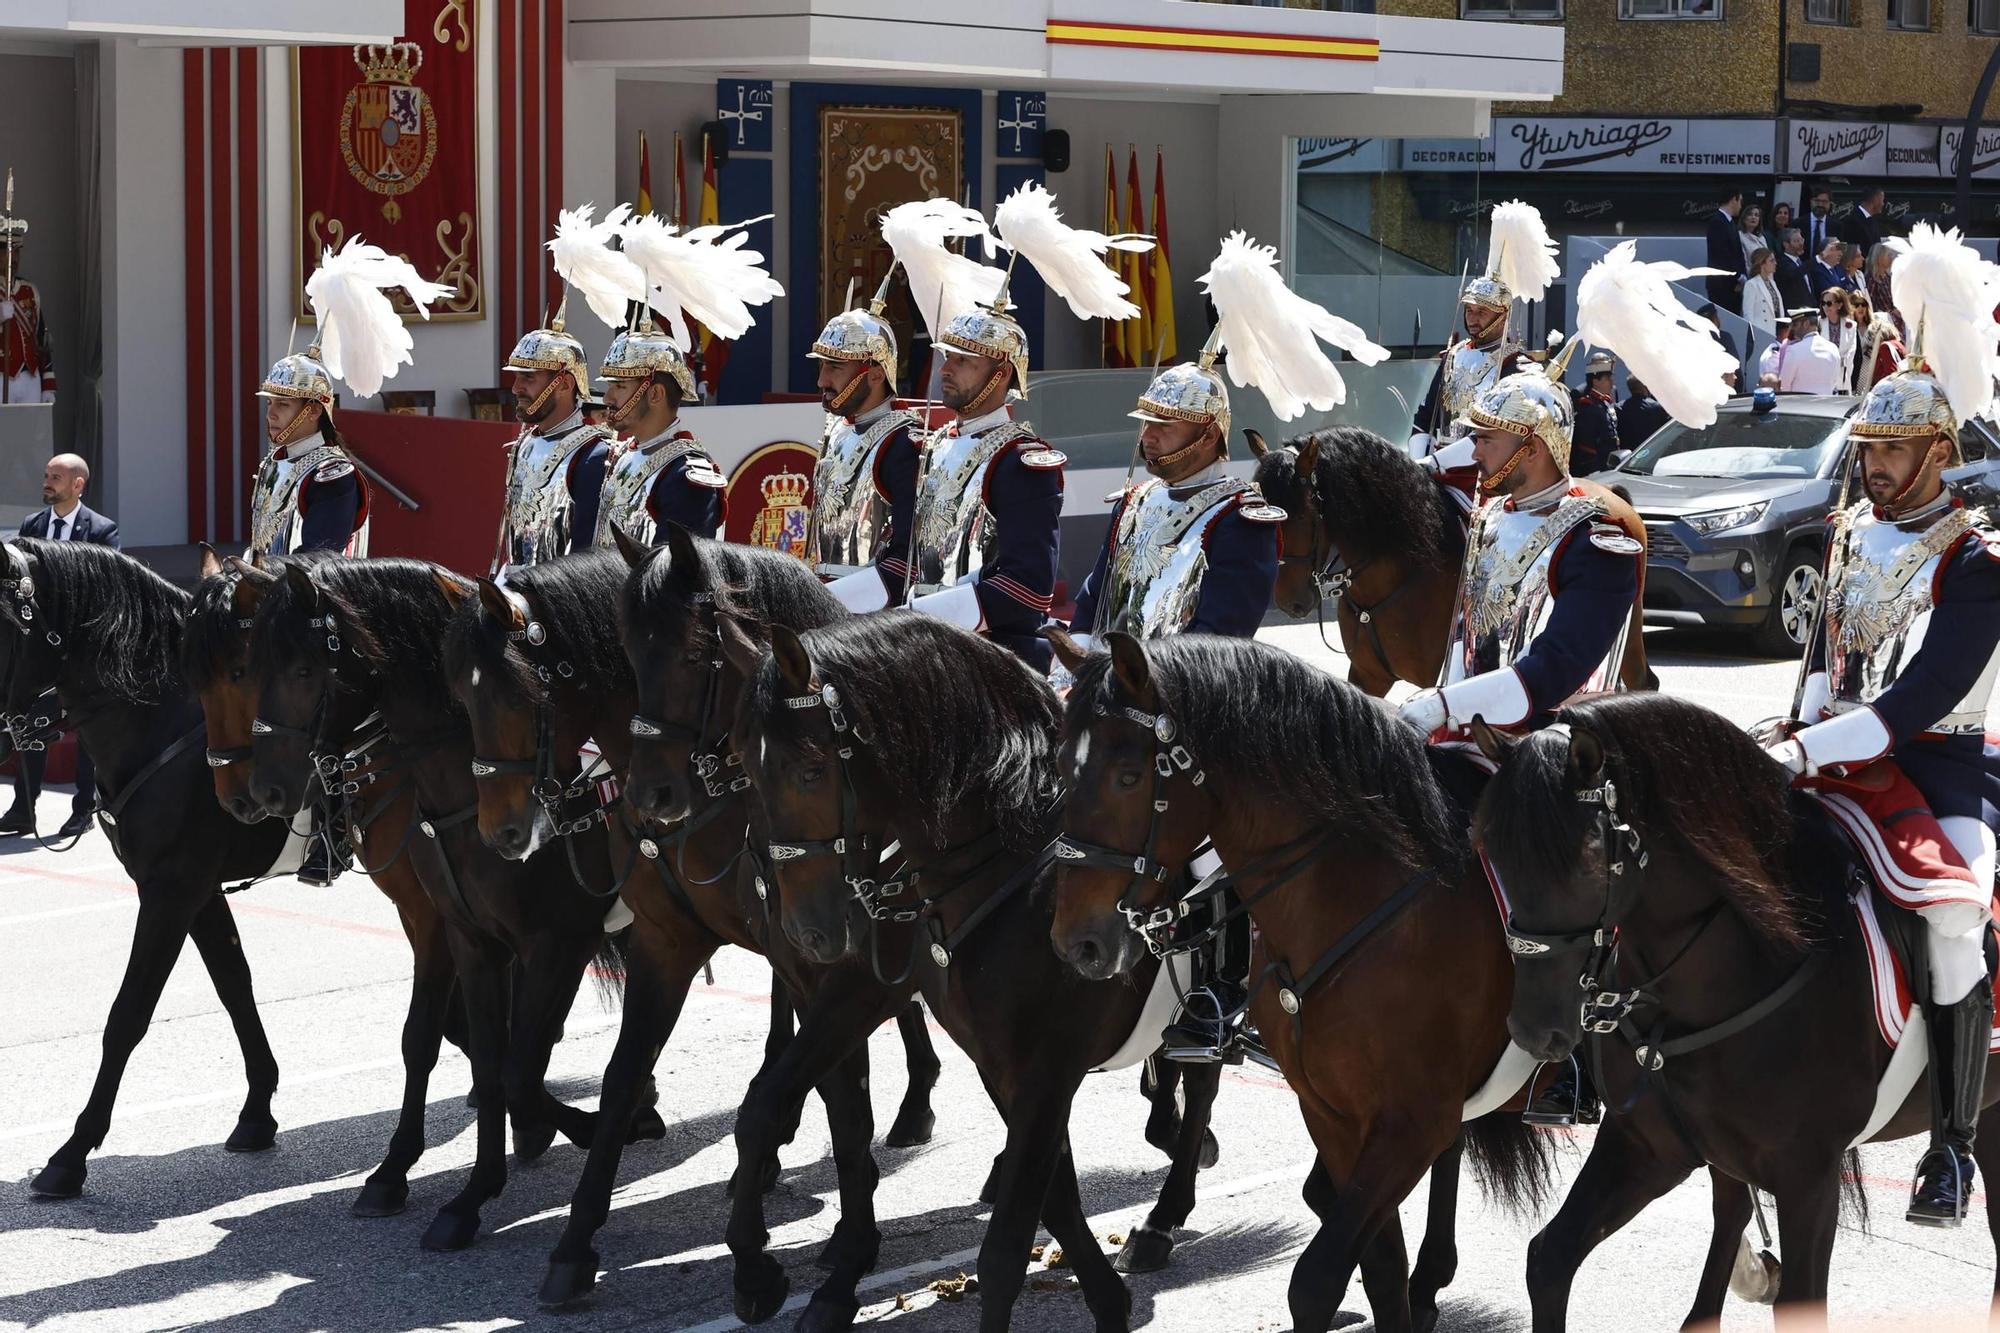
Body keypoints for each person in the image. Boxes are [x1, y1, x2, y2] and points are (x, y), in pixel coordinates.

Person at [1763, 224, 2000, 1226]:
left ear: (1938, 451)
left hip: (1942, 773)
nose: (1871, 466)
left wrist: (1812, 744)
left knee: (1950, 924)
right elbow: (1827, 658)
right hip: (1833, 761)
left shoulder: (1975, 560)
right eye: (1864, 448)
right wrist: (1798, 725)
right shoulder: (1850, 533)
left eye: (1890, 448)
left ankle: (1948, 1144)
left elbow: (1915, 699)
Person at [1397, 344, 1649, 1126]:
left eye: (1488, 439)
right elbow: (1467, 644)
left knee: (1552, 878)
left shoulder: (1598, 534)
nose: (1474, 450)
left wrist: (1439, 708)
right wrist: (1434, 710)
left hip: (1566, 744)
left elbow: (1551, 671)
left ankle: (1571, 1057)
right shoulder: (1491, 515)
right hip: (1477, 732)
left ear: (1532, 446)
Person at [1064, 327, 1285, 1062]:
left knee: (1218, 847)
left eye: (1164, 424)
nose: (1150, 437)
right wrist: (1075, 663)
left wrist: (1150, 693)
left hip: (1201, 710)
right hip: (1117, 702)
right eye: (1148, 424)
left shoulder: (1241, 517)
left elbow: (1224, 631)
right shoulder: (1135, 503)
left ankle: (1219, 993)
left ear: (1207, 432)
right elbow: (1097, 600)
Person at [908, 292, 1066, 673]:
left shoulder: (1021, 460)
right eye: (948, 357)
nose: (946, 369)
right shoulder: (935, 445)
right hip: (921, 644)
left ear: (1002, 373)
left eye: (964, 361)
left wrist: (916, 618)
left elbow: (1028, 586)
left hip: (992, 658)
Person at [0, 454, 115, 840]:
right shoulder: (33, 525)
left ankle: (84, 808)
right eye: (46, 474)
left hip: (81, 648)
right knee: (31, 724)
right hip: (38, 650)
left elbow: (103, 585)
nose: (47, 481)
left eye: (56, 477)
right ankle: (22, 809)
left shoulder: (101, 529)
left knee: (85, 732)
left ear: (78, 485)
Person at [808, 275, 925, 611]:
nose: (822, 380)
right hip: (823, 604)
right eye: (821, 366)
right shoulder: (836, 430)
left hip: (873, 617)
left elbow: (908, 561)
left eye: (835, 368)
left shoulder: (904, 445)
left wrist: (827, 602)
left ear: (875, 374)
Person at [493, 295, 613, 572]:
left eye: (529, 378)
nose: (516, 388)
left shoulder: (595, 454)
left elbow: (588, 556)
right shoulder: (525, 443)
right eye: (517, 377)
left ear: (564, 384)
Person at [592, 317, 725, 547]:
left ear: (655, 395)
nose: (607, 398)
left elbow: (675, 576)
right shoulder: (622, 455)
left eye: (620, 386)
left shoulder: (687, 476)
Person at [252, 340, 371, 558]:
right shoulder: (275, 461)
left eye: (283, 404)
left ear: (314, 411)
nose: (271, 414)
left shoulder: (332, 475)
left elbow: (318, 558)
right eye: (270, 403)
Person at [0, 204, 53, 405]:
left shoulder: (30, 291)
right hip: (1, 378)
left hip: (30, 377)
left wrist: (48, 384)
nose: (13, 258)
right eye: (6, 251)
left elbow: (42, 341)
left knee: (30, 435)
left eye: (16, 251)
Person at [1757, 307, 1845, 395]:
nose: (1792, 329)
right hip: (1825, 405)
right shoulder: (1833, 348)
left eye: (1795, 325)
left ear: (1806, 324)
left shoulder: (1793, 350)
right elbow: (1834, 381)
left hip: (1799, 406)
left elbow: (1784, 386)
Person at [1568, 350, 1619, 477]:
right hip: (1596, 470)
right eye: (1607, 378)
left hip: (1609, 465)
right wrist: (1594, 471)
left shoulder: (1605, 402)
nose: (1612, 382)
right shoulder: (1588, 406)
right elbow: (1586, 446)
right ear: (1596, 381)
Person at [1705, 187, 1747, 314]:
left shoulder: (1729, 222)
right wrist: (1739, 276)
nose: (1741, 206)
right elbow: (1721, 255)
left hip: (1731, 285)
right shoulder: (1718, 222)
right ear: (1734, 199)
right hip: (1722, 286)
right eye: (1740, 201)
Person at [1855, 301, 1906, 396]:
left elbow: (1890, 374)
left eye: (1872, 337)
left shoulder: (1885, 347)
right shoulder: (1898, 344)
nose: (1872, 342)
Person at [1742, 246, 1784, 338]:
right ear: (1762, 264)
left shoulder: (1772, 283)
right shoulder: (1751, 284)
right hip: (1760, 332)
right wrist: (1753, 335)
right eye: (1771, 261)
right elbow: (1748, 313)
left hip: (1775, 330)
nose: (1775, 263)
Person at [1821, 287, 1858, 389]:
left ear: (1840, 305)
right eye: (1823, 303)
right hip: (1823, 373)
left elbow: (1851, 351)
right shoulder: (1817, 324)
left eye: (1829, 303)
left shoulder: (1851, 325)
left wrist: (1840, 363)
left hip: (1843, 374)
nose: (1825, 307)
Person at [1866, 241, 1904, 339]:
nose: (1891, 258)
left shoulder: (1888, 277)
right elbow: (1871, 305)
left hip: (1895, 320)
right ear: (1880, 257)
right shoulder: (1872, 280)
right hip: (1882, 323)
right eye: (1888, 255)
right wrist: (1891, 312)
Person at [1618, 376, 1671, 444]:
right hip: (1655, 449)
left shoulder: (1619, 408)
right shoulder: (1656, 406)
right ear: (1644, 387)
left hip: (1631, 452)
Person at [1838, 185, 1890, 251]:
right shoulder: (1851, 221)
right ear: (1875, 199)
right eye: (1882, 200)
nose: (1883, 204)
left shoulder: (1873, 221)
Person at [1775, 228, 1814, 311]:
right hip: (1794, 311)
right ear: (1786, 244)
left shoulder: (1800, 261)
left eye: (1801, 240)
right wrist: (1817, 259)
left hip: (1808, 308)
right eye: (1796, 241)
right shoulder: (1782, 262)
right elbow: (1795, 273)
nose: (1801, 244)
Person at [1803, 185, 1835, 258]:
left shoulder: (1836, 226)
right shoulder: (1798, 223)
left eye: (1824, 202)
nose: (1820, 205)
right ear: (1811, 201)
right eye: (1817, 201)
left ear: (1830, 203)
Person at [1736, 202, 1766, 276]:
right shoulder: (1740, 236)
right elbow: (1743, 262)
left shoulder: (1761, 237)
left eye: (1756, 215)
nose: (1753, 217)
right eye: (1750, 214)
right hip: (1749, 277)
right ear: (1744, 218)